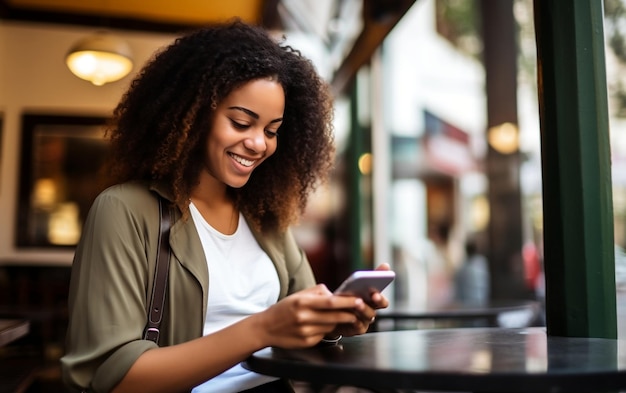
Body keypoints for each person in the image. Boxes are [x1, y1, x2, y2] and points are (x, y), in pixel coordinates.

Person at [61, 20, 390, 393]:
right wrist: (262, 328)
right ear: (192, 114)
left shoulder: (266, 220)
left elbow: (303, 323)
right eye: (240, 122)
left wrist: (334, 325)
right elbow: (113, 377)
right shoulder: (124, 210)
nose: (257, 144)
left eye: (271, 130)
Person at [453, 239, 490, 307]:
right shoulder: (482, 263)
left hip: (468, 305)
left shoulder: (464, 267)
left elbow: (458, 288)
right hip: (481, 301)